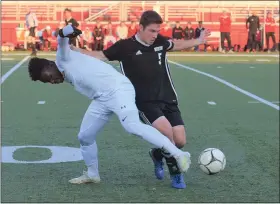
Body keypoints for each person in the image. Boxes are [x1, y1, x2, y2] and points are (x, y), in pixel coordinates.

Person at [27, 24, 191, 186]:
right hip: (102, 99)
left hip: (118, 90)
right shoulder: (61, 70)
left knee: (132, 125)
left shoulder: (62, 58)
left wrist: (70, 30)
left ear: (49, 65)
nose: (52, 81)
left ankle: (178, 154)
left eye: (48, 77)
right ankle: (92, 174)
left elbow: (61, 36)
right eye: (46, 82)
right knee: (85, 137)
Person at [71, 10, 210, 189]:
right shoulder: (124, 46)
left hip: (167, 98)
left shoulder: (159, 41)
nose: (155, 35)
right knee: (167, 134)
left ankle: (157, 155)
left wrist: (198, 40)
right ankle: (176, 175)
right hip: (144, 101)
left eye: (157, 31)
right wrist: (75, 51)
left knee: (180, 140)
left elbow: (175, 44)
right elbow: (100, 55)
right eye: (152, 31)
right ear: (141, 28)